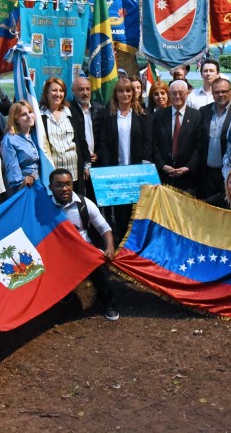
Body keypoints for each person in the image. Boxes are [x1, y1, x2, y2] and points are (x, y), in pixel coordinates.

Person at [49, 168, 120, 320]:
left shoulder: (84, 203)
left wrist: (109, 248)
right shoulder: (45, 207)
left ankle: (108, 302)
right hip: (58, 255)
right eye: (59, 185)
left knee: (101, 274)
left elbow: (104, 228)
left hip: (84, 251)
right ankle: (67, 299)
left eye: (68, 184)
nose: (65, 189)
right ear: (51, 187)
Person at [97, 78, 151, 240]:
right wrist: (108, 170)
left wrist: (144, 167)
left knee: (137, 215)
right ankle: (121, 247)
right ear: (116, 94)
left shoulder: (142, 114)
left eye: (128, 90)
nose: (125, 94)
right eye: (121, 91)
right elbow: (104, 143)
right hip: (117, 175)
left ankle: (136, 249)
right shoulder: (108, 114)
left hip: (137, 174)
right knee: (120, 216)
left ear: (134, 93)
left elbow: (147, 142)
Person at [151, 79, 203, 195]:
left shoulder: (197, 116)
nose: (177, 96)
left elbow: (199, 145)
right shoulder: (158, 116)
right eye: (174, 93)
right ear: (169, 94)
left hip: (188, 178)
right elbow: (153, 144)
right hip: (164, 176)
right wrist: (162, 165)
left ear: (187, 94)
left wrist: (189, 167)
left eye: (181, 93)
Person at [40, 76, 90, 193]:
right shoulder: (40, 116)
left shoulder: (72, 112)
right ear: (46, 93)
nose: (58, 94)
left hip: (74, 171)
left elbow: (82, 140)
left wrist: (87, 164)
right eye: (54, 90)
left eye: (61, 90)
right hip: (52, 172)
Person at [200, 77, 231, 199]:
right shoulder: (204, 111)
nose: (220, 95)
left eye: (224, 91)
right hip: (207, 173)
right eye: (216, 92)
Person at [0, 100, 40, 193]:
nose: (29, 116)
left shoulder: (35, 134)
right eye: (24, 114)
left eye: (30, 112)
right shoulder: (10, 139)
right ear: (16, 119)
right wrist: (22, 183)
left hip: (39, 182)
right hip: (23, 186)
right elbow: (12, 168)